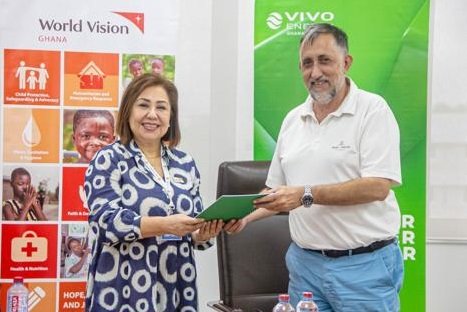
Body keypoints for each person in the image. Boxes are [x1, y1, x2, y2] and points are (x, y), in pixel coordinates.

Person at [225, 23, 404, 311]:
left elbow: (378, 186)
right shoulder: (293, 120)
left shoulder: (373, 110)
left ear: (346, 63)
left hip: (363, 267)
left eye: (325, 60)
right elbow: (276, 192)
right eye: (307, 63)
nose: (315, 72)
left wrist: (306, 194)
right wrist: (245, 218)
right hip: (305, 267)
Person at [84, 73, 224, 311]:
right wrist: (167, 225)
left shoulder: (185, 163)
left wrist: (203, 233)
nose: (152, 114)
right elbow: (105, 223)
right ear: (128, 111)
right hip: (122, 287)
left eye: (161, 107)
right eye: (143, 105)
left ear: (171, 118)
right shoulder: (108, 158)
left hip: (176, 283)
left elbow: (195, 226)